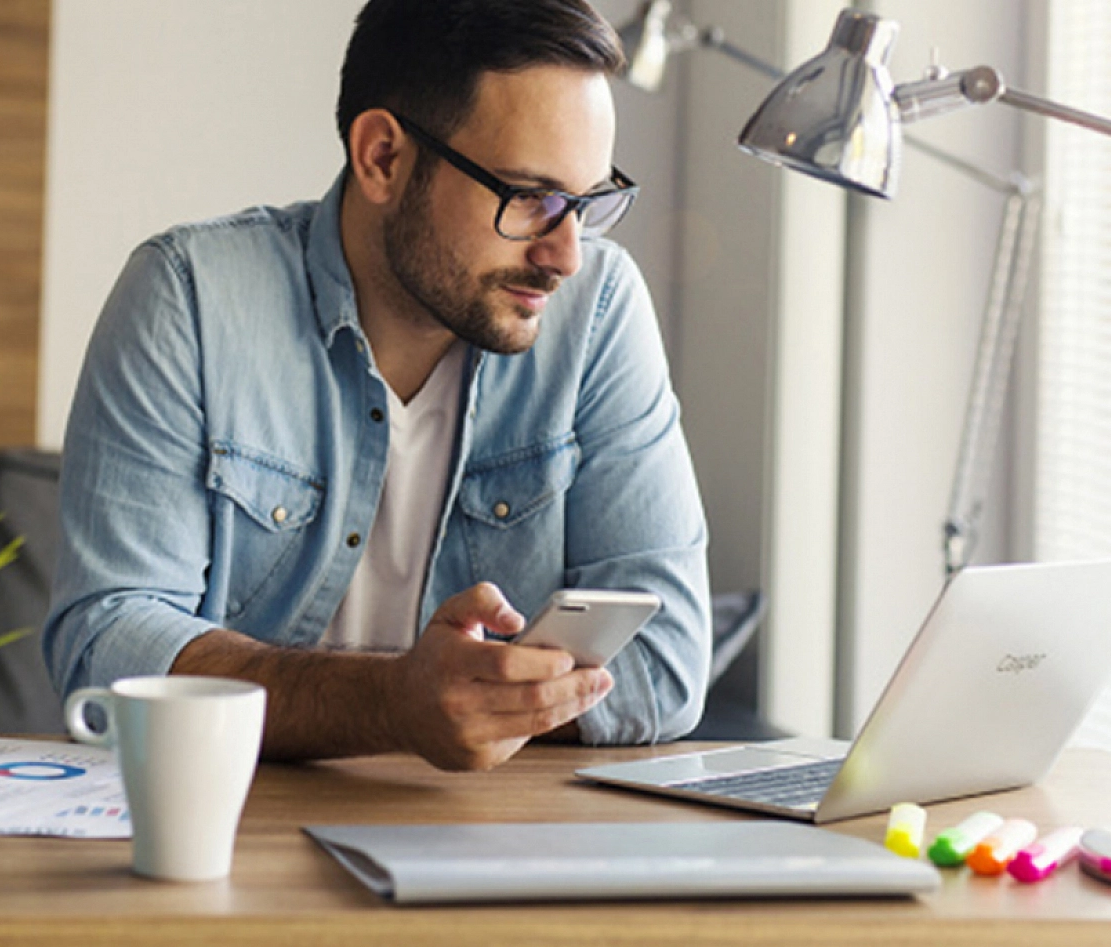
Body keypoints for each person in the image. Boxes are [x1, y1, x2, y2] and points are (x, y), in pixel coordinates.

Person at [45, 0, 710, 772]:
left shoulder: (597, 312)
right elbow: (106, 646)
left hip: (491, 841)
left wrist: (464, 706)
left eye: (590, 202)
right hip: (229, 834)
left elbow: (667, 661)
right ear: (383, 158)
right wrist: (393, 703)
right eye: (531, 197)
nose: (566, 254)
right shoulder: (191, 298)